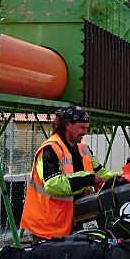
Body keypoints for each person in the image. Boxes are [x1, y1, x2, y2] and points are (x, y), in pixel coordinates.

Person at [20, 104, 115, 243]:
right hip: (49, 227)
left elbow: (101, 173)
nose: (85, 132)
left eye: (86, 128)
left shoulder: (84, 149)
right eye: (81, 127)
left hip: (76, 221)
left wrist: (125, 176)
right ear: (67, 125)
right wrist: (87, 179)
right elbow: (53, 185)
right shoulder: (50, 149)